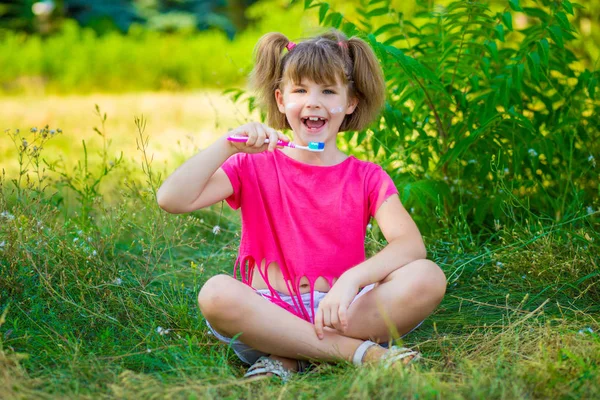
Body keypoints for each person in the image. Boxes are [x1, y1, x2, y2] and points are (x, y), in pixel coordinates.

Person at [156, 30, 447, 381]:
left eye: (328, 91)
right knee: (216, 293)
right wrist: (227, 146)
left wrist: (351, 281)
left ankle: (289, 356)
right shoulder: (253, 163)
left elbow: (410, 245)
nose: (313, 102)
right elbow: (171, 199)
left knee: (428, 276)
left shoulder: (365, 176)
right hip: (268, 316)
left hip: (343, 311)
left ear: (351, 102)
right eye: (300, 90)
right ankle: (361, 353)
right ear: (280, 101)